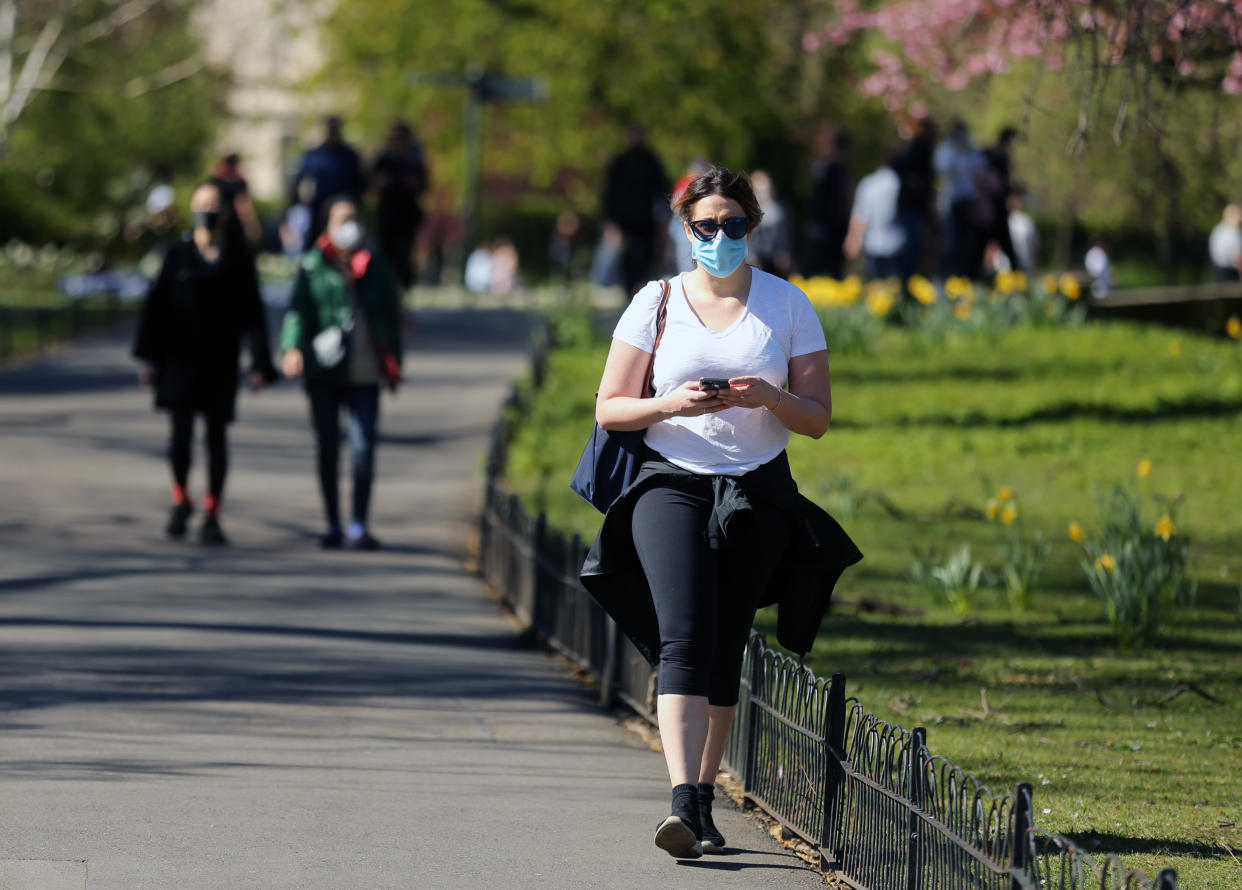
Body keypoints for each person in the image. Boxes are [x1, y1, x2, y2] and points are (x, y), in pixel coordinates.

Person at [580, 166, 862, 860]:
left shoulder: (788, 304)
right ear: (685, 229)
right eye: (706, 226)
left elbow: (819, 417)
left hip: (757, 490)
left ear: (752, 227)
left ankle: (704, 800)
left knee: (726, 640)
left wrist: (768, 398)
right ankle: (679, 800)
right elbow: (610, 407)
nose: (719, 238)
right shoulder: (656, 303)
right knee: (683, 635)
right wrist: (671, 404)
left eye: (733, 225)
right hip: (668, 482)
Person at [132, 182, 277, 544]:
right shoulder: (176, 255)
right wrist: (148, 359)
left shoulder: (237, 257)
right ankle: (181, 500)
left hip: (219, 360)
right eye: (201, 204)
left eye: (213, 205)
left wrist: (260, 364)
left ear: (224, 211)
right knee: (180, 433)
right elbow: (156, 309)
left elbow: (253, 314)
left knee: (216, 437)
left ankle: (213, 511)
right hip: (178, 359)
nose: (207, 211)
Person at [279, 197, 403, 550]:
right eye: (342, 219)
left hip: (365, 373)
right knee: (328, 448)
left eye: (354, 218)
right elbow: (296, 311)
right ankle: (333, 523)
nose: (349, 225)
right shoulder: (313, 265)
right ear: (327, 227)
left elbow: (391, 317)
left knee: (363, 450)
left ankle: (359, 525)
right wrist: (290, 348)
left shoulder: (377, 266)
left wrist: (394, 365)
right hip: (325, 372)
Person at [602, 125, 670, 297]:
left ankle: (640, 286)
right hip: (624, 220)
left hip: (646, 219)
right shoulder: (620, 162)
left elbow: (662, 191)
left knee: (645, 255)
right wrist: (610, 221)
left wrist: (664, 218)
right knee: (626, 255)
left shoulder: (650, 161)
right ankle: (628, 288)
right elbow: (609, 194)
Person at [372, 120, 429, 290]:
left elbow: (423, 185)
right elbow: (374, 184)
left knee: (405, 254)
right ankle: (386, 288)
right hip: (387, 215)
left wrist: (413, 183)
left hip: (407, 215)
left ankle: (404, 287)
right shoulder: (384, 159)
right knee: (386, 253)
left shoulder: (415, 159)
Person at [293, 116, 366, 246]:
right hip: (319, 210)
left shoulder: (350, 156)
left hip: (345, 211)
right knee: (318, 243)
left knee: (346, 244)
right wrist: (297, 204)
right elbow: (300, 180)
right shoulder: (314, 155)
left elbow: (360, 184)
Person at [844, 157, 906, 279]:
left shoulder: (868, 183)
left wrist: (853, 237)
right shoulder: (900, 181)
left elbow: (860, 215)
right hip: (898, 243)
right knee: (895, 286)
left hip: (873, 243)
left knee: (875, 286)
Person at [805, 127, 854, 279]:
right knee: (820, 264)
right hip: (827, 226)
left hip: (836, 225)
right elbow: (818, 199)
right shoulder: (828, 169)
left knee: (834, 265)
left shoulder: (837, 169)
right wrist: (815, 223)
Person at [746, 170, 793, 278]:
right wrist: (751, 256)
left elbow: (785, 234)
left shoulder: (779, 209)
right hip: (756, 259)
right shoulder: (750, 211)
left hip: (776, 259)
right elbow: (748, 236)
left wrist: (784, 252)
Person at [1209, 204, 1242, 282]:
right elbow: (1236, 258)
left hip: (1219, 270)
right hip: (1228, 272)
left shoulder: (1219, 228)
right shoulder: (1231, 231)